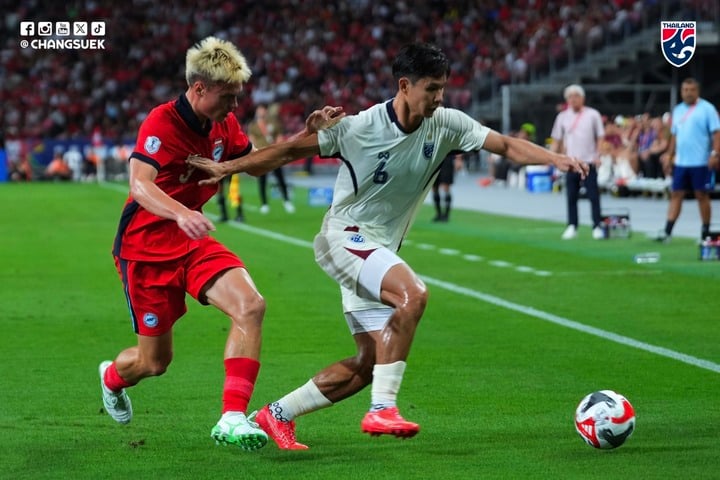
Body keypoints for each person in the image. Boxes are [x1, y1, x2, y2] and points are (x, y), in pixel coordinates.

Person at [187, 42, 588, 450]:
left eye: (442, 88)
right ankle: (383, 408)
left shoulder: (447, 124)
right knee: (413, 295)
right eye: (431, 88)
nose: (439, 97)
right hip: (343, 238)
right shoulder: (360, 127)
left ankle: (276, 415)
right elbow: (285, 152)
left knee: (369, 363)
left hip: (375, 250)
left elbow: (503, 144)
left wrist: (555, 160)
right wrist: (227, 167)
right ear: (404, 85)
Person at [98, 36, 330, 451]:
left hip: (194, 241)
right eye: (229, 96)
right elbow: (138, 184)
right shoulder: (162, 122)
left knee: (251, 305)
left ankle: (232, 417)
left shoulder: (224, 125)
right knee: (154, 363)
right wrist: (181, 212)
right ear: (199, 88)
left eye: (238, 97)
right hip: (145, 249)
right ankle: (111, 378)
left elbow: (259, 163)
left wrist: (304, 137)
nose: (236, 106)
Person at [655, 78, 720, 242]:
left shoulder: (707, 109)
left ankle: (705, 232)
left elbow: (717, 133)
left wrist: (715, 153)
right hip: (681, 162)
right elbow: (675, 136)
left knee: (701, 195)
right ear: (681, 91)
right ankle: (667, 231)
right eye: (685, 90)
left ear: (697, 91)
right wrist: (669, 156)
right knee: (676, 194)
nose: (688, 93)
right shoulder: (677, 110)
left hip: (700, 161)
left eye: (691, 90)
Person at [550, 84, 606, 240]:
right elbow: (557, 139)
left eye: (576, 96)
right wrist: (552, 157)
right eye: (570, 97)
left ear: (583, 98)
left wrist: (598, 155)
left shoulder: (593, 115)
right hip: (570, 162)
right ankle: (572, 225)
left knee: (593, 195)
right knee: (571, 196)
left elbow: (600, 136)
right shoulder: (562, 117)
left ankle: (597, 225)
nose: (573, 99)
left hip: (588, 161)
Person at [247, 103, 295, 214]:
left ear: (266, 111)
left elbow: (279, 136)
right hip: (261, 156)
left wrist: (278, 148)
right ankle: (264, 204)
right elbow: (251, 139)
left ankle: (287, 201)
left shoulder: (273, 123)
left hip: (273, 155)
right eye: (259, 110)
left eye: (262, 110)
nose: (261, 112)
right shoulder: (253, 125)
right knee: (262, 180)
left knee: (280, 178)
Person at [431, 153, 464, 222]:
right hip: (434, 159)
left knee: (446, 187)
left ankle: (446, 215)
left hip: (447, 158)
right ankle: (438, 214)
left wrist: (459, 159)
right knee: (434, 187)